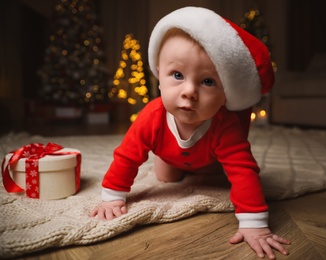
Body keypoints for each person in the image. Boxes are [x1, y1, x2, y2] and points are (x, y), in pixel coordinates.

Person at [90, 6, 291, 259]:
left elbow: (243, 170)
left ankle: (208, 166)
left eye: (208, 81)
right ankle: (171, 162)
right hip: (168, 154)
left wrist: (255, 224)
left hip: (210, 156)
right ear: (159, 78)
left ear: (225, 94)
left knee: (219, 175)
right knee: (166, 177)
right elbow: (127, 156)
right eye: (177, 75)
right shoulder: (151, 117)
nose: (189, 91)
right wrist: (112, 197)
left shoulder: (225, 124)